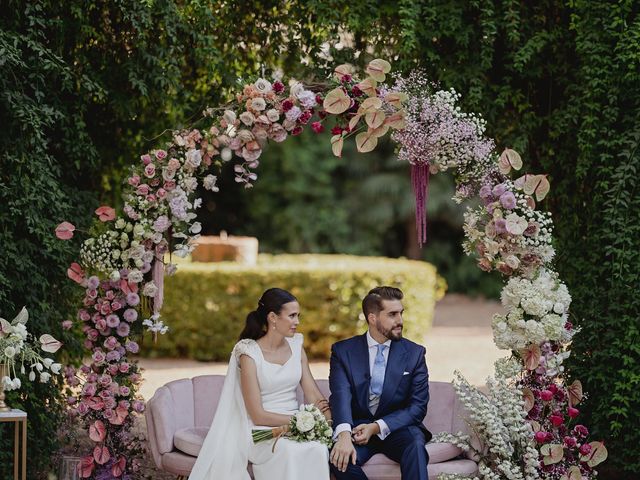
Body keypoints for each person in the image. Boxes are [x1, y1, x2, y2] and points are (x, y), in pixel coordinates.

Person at [189, 288, 332, 480]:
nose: (297, 322)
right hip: (261, 433)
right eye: (292, 316)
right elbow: (257, 414)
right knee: (289, 450)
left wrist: (327, 421)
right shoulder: (249, 353)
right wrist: (300, 421)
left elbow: (313, 393)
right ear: (273, 317)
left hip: (297, 425)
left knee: (317, 447)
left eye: (298, 315)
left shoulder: (297, 346)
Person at [328, 286, 432, 480]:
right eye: (392, 314)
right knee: (337, 457)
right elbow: (340, 394)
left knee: (415, 446)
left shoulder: (415, 354)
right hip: (357, 429)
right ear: (372, 318)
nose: (400, 320)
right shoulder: (343, 352)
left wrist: (376, 427)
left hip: (398, 429)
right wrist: (343, 435)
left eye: (401, 313)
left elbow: (417, 407)